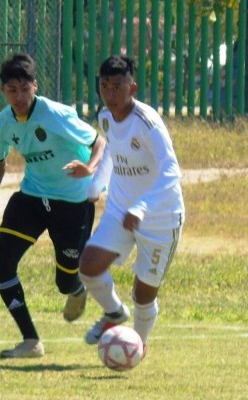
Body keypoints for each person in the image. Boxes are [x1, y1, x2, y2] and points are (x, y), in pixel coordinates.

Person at [0, 53, 106, 358]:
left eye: (24, 89)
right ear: (3, 91)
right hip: (33, 196)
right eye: (11, 90)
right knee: (1, 263)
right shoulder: (2, 123)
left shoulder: (55, 115)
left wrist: (90, 168)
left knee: (65, 281)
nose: (18, 97)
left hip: (72, 202)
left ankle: (76, 289)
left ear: (35, 86)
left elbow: (99, 142)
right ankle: (31, 341)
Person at [80, 55, 184, 358]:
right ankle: (114, 312)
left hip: (160, 216)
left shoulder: (147, 123)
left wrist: (141, 207)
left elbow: (171, 171)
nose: (110, 94)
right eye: (104, 86)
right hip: (119, 210)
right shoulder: (105, 117)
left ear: (132, 87)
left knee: (143, 294)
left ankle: (137, 346)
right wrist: (96, 185)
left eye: (117, 87)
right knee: (89, 266)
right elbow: (112, 150)